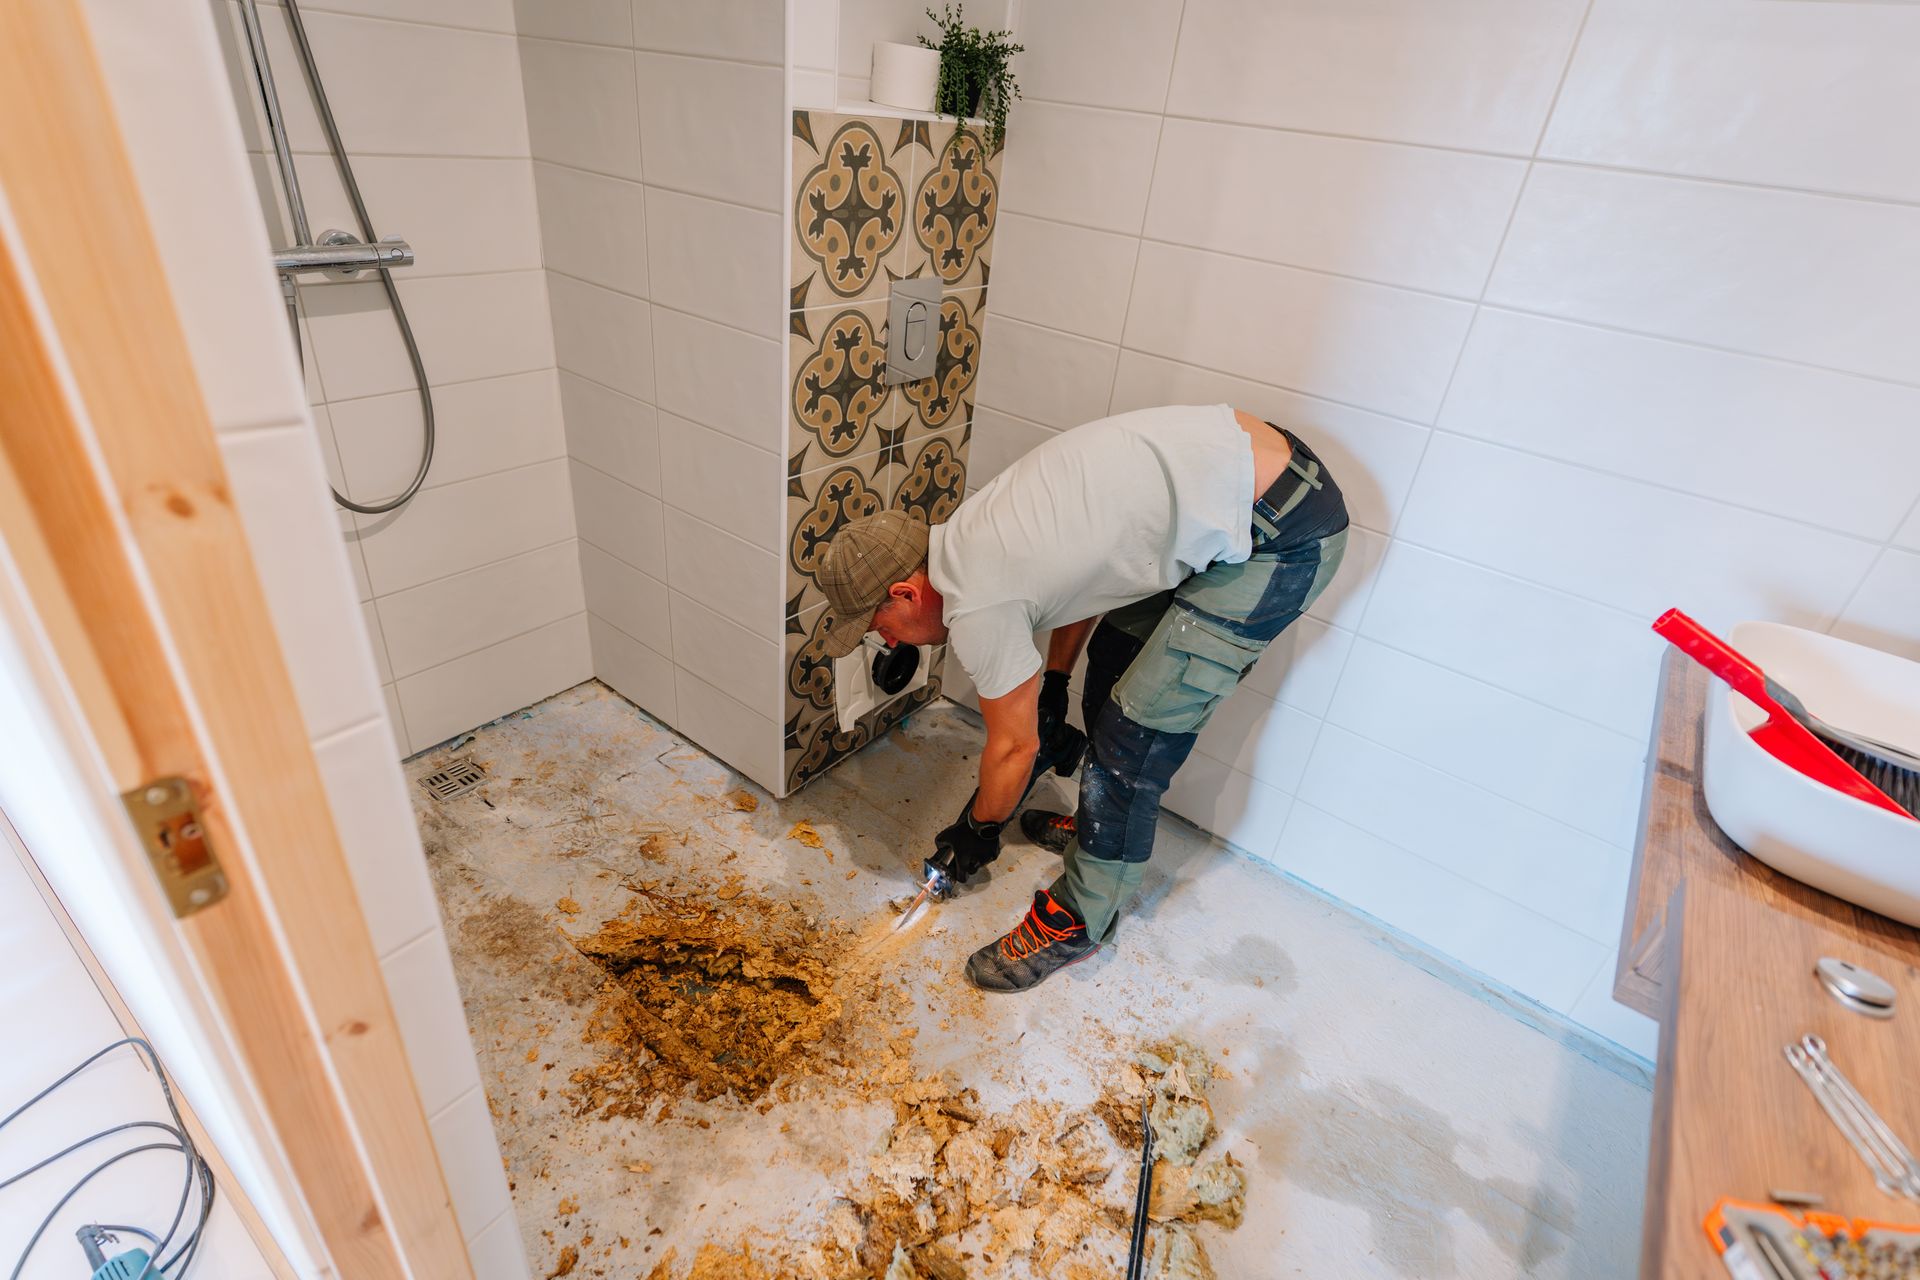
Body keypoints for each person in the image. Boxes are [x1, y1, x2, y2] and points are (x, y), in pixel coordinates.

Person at [815, 404, 1349, 992]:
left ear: (904, 593)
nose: (884, 640)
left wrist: (977, 831)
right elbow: (1096, 574)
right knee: (1115, 668)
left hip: (1280, 531)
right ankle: (1100, 827)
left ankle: (1079, 918)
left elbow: (1015, 749)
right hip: (1238, 479)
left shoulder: (976, 604)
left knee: (1133, 739)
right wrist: (1056, 684)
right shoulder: (972, 532)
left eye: (877, 624)